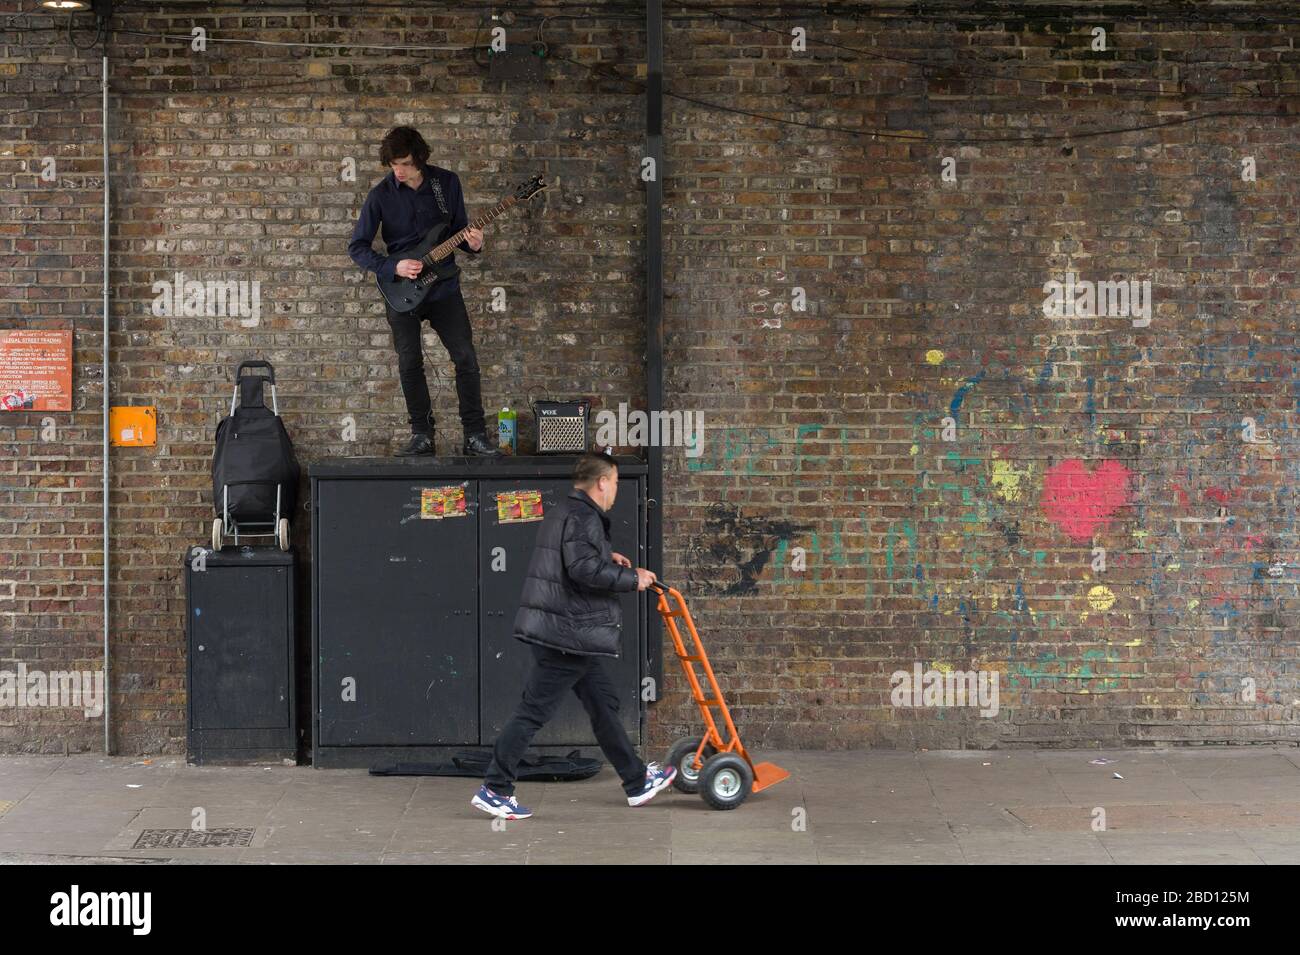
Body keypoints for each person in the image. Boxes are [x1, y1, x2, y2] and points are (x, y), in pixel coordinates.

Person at [472, 451, 675, 819]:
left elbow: (572, 561)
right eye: (613, 482)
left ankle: (637, 780)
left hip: (566, 630)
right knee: (533, 711)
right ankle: (495, 788)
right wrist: (633, 579)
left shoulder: (567, 511)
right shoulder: (583, 517)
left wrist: (605, 555)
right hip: (566, 633)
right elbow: (582, 571)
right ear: (601, 482)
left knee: (603, 703)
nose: (615, 489)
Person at [348, 125, 502, 457]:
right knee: (409, 362)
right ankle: (422, 435)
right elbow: (357, 247)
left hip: (444, 287)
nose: (398, 171)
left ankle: (474, 435)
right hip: (401, 289)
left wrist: (475, 243)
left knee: (466, 358)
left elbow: (462, 232)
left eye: (403, 162)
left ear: (420, 157)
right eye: (392, 164)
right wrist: (394, 267)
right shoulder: (381, 195)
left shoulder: (446, 183)